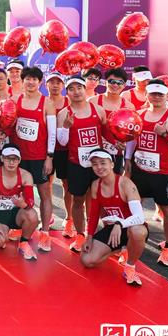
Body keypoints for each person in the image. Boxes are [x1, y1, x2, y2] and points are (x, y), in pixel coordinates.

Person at [128, 79, 168, 267]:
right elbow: (131, 140)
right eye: (152, 94)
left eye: (160, 94)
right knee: (134, 206)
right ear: (146, 95)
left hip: (163, 173)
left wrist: (165, 135)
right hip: (140, 171)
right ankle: (132, 242)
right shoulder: (138, 115)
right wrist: (127, 161)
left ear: (167, 96)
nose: (156, 97)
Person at [78, 149, 148, 286]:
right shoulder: (95, 185)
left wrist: (119, 223)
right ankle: (120, 248)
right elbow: (94, 214)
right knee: (87, 260)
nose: (99, 167)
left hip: (131, 227)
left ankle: (130, 267)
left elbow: (139, 217)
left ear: (112, 164)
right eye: (95, 164)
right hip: (114, 229)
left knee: (138, 232)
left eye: (103, 163)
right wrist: (89, 237)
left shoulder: (125, 184)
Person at [56, 75, 109, 253]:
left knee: (97, 200)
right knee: (78, 200)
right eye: (72, 89)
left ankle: (93, 233)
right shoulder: (64, 113)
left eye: (79, 87)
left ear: (84, 88)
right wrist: (65, 126)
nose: (76, 92)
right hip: (77, 163)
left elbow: (107, 133)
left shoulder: (98, 110)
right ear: (67, 92)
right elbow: (62, 142)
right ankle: (80, 235)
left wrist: (118, 142)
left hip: (98, 166)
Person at [12, 66, 58, 250]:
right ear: (22, 81)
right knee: (18, 192)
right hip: (18, 158)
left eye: (34, 79)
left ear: (40, 82)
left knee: (45, 194)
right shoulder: (16, 100)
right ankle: (18, 226)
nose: (30, 82)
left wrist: (49, 157)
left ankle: (45, 232)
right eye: (27, 79)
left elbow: (52, 133)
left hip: (39, 157)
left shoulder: (47, 103)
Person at [0, 145, 40, 259]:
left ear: (19, 160)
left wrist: (22, 204)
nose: (11, 162)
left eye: (14, 159)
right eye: (8, 158)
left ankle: (23, 243)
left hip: (16, 214)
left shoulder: (26, 175)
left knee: (33, 216)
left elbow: (30, 202)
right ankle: (3, 230)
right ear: (2, 159)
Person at [45, 72, 73, 236]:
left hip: (65, 150)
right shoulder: (42, 102)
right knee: (46, 185)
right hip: (46, 150)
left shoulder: (69, 103)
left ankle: (69, 219)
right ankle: (47, 217)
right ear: (46, 85)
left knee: (66, 185)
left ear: (63, 86)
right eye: (52, 82)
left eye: (58, 82)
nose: (55, 85)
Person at [91, 67, 133, 175]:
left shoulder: (129, 106)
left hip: (117, 152)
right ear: (105, 82)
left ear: (124, 85)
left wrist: (127, 157)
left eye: (120, 83)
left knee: (113, 184)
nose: (115, 85)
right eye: (112, 81)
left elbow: (132, 134)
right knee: (92, 185)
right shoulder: (93, 101)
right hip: (94, 149)